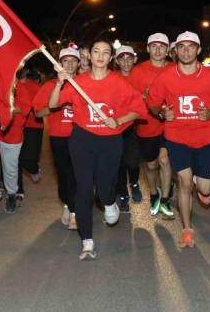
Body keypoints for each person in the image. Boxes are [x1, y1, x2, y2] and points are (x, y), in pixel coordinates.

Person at [49, 40, 147, 261]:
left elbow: (139, 110)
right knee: (83, 190)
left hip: (110, 141)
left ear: (110, 57)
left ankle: (110, 201)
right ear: (89, 56)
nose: (100, 56)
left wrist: (119, 120)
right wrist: (59, 83)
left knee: (103, 191)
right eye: (96, 52)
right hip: (82, 140)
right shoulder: (77, 83)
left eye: (105, 52)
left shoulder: (119, 82)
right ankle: (87, 241)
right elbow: (54, 103)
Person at [147, 31, 210, 247]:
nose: (186, 51)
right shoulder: (166, 76)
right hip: (178, 137)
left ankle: (204, 190)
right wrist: (161, 113)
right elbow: (153, 102)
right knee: (185, 183)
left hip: (205, 139)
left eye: (191, 46)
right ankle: (187, 229)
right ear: (175, 51)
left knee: (204, 189)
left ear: (198, 50)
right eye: (182, 47)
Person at [33, 47, 81, 230]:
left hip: (81, 136)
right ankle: (67, 204)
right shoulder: (49, 86)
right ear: (58, 65)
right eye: (65, 61)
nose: (69, 65)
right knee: (64, 174)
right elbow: (38, 112)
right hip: (59, 136)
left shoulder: (84, 83)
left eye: (73, 61)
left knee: (77, 173)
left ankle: (76, 212)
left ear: (79, 64)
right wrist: (58, 106)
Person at [129, 33, 174, 219]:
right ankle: (154, 193)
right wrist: (144, 97)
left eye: (162, 46)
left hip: (170, 124)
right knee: (151, 164)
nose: (157, 50)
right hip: (147, 125)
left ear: (168, 49)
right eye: (154, 46)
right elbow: (129, 100)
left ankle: (164, 199)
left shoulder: (175, 69)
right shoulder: (138, 72)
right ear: (147, 49)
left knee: (164, 160)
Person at [0, 69, 32, 214]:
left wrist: (6, 110)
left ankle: (11, 194)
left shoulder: (17, 86)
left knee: (10, 167)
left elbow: (23, 108)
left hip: (12, 131)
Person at [113, 45, 141, 213]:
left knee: (133, 162)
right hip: (117, 127)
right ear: (117, 61)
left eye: (129, 58)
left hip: (134, 127)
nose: (125, 62)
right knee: (119, 163)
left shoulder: (140, 76)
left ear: (134, 59)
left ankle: (134, 183)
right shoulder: (112, 78)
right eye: (122, 58)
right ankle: (123, 196)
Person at [16, 65, 44, 207]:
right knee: (17, 160)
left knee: (29, 159)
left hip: (33, 126)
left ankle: (34, 168)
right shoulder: (10, 86)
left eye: (22, 68)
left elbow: (41, 106)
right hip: (14, 127)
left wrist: (26, 109)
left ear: (27, 70)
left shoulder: (35, 86)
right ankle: (18, 191)